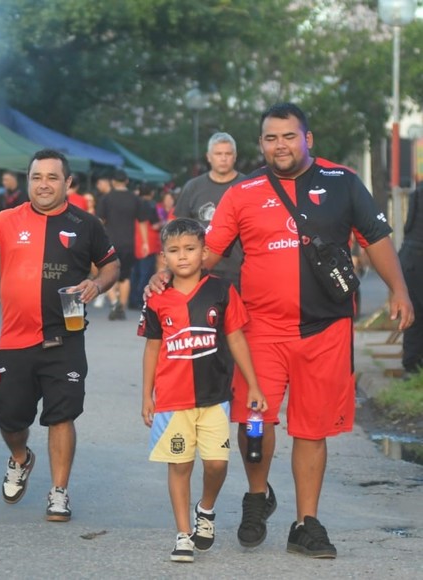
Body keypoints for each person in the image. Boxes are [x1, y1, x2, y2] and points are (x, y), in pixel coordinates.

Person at [154, 103, 413, 558]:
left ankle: (305, 523)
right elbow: (208, 252)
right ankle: (258, 495)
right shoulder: (244, 192)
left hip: (326, 329)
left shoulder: (342, 181)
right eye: (271, 138)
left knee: (312, 429)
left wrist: (399, 290)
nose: (280, 145)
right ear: (260, 144)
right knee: (254, 422)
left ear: (307, 139)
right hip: (260, 330)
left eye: (289, 136)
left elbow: (375, 238)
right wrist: (165, 276)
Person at [0, 149, 120, 522]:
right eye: (37, 177)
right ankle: (21, 457)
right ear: (28, 180)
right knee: (9, 417)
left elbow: (111, 264)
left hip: (65, 338)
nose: (43, 184)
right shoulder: (6, 220)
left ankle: (59, 492)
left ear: (68, 182)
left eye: (52, 177)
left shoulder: (86, 224)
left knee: (62, 415)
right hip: (15, 340)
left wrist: (97, 284)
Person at [139, 218, 267, 563]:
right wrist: (146, 395)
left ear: (204, 252)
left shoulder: (221, 291)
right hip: (172, 401)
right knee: (179, 465)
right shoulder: (156, 298)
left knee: (216, 464)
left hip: (215, 397)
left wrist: (253, 385)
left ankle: (205, 509)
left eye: (190, 249)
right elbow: (152, 348)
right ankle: (183, 534)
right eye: (174, 250)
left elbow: (236, 338)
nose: (182, 256)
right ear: (163, 256)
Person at [174, 132, 245, 288]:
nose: (223, 158)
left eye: (228, 154)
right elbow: (177, 231)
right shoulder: (193, 187)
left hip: (240, 270)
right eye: (218, 154)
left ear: (235, 156)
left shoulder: (247, 186)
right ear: (209, 156)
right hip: (201, 270)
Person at [96, 168, 150, 320]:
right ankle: (122, 307)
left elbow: (99, 221)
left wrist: (96, 239)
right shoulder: (135, 199)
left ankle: (114, 303)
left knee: (107, 273)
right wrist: (145, 242)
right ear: (126, 181)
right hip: (128, 243)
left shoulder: (106, 199)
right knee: (125, 276)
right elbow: (142, 222)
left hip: (109, 242)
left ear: (113, 181)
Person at [400, 181, 423, 375]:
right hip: (417, 257)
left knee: (415, 314)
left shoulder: (418, 191)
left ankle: (412, 367)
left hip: (408, 258)